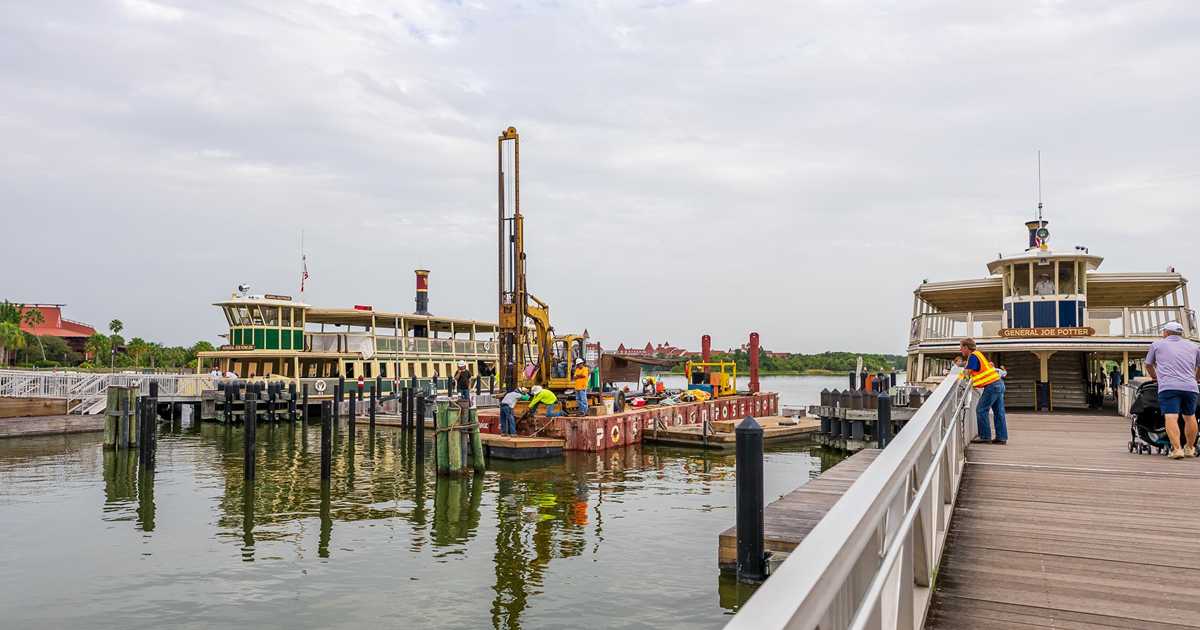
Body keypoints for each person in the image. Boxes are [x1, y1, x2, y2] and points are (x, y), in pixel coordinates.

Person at [1144, 321, 1200, 459]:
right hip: (1190, 387)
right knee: (1190, 416)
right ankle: (1190, 448)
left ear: (1166, 332)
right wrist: (1196, 378)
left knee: (1171, 416)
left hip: (1168, 386)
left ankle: (1177, 449)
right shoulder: (1194, 346)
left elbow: (1148, 364)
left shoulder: (1157, 345)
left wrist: (1155, 377)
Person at [959, 338, 1007, 445]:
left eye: (961, 347)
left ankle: (985, 437)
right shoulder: (978, 354)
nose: (960, 349)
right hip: (998, 383)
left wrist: (958, 377)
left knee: (981, 410)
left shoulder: (973, 356)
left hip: (992, 385)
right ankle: (1001, 437)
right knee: (999, 412)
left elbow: (967, 372)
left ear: (966, 347)